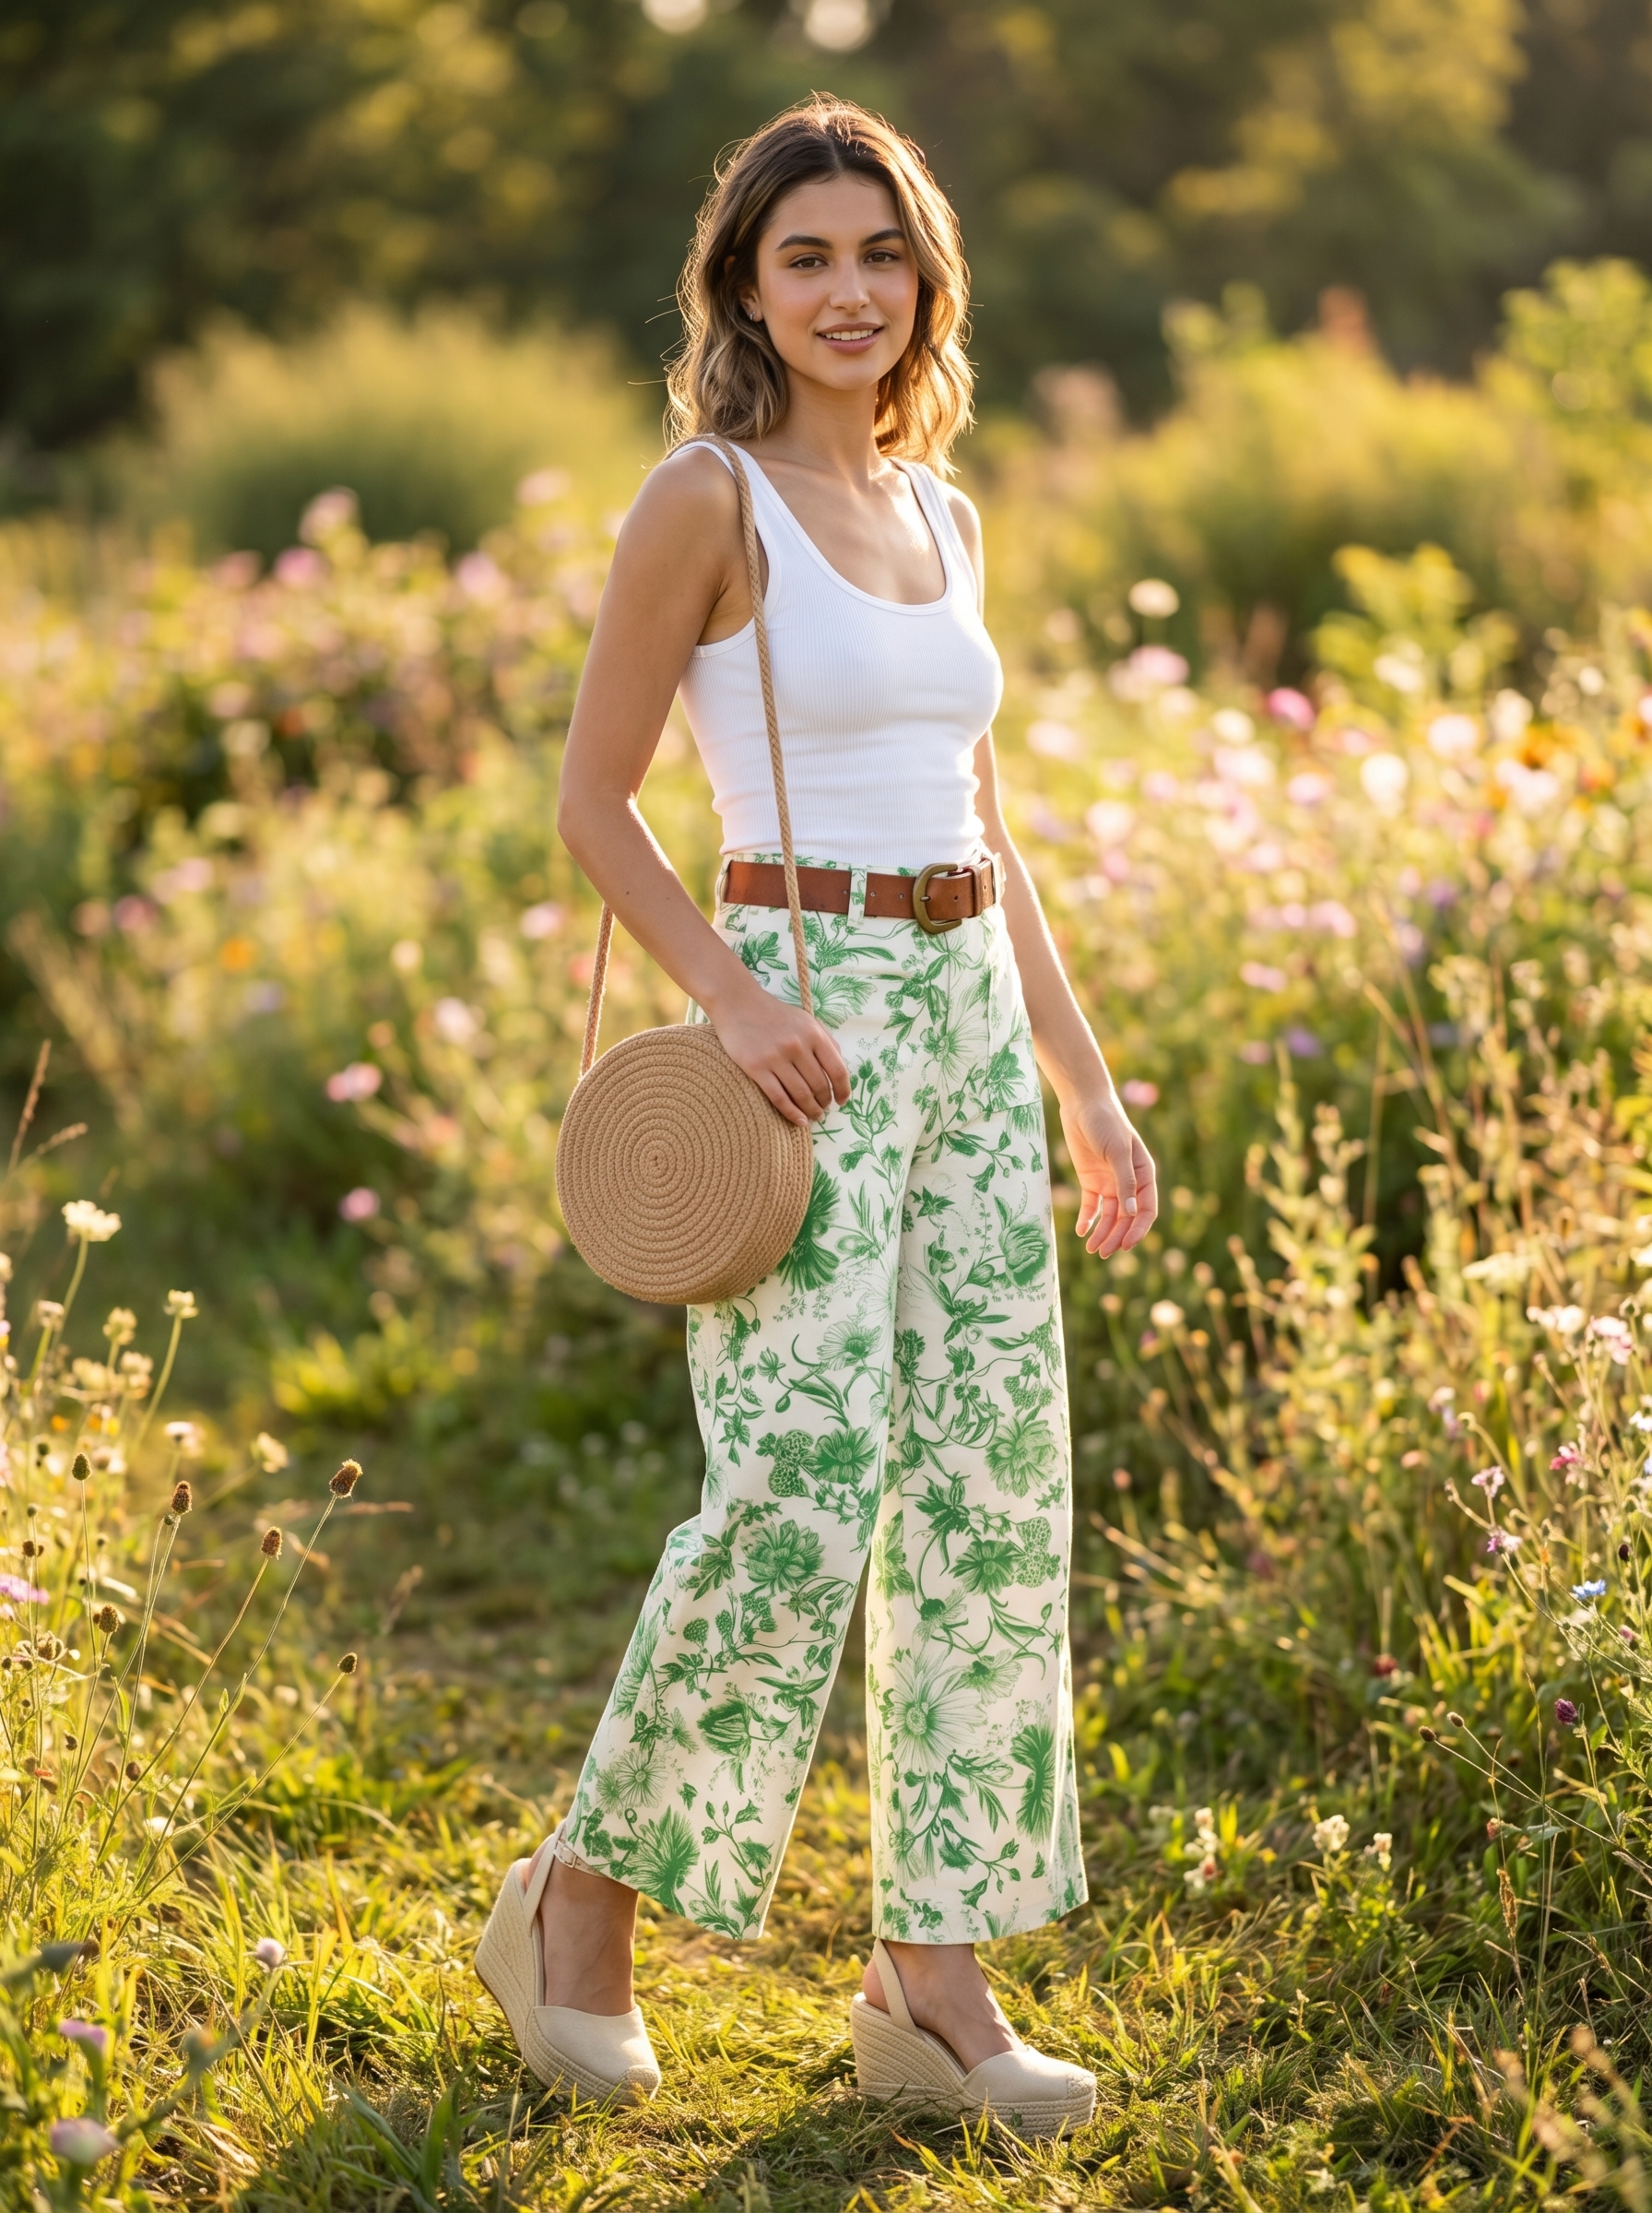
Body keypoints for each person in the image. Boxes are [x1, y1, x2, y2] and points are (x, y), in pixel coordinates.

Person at [475, 96, 1157, 2136]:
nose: (847, 291)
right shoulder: (704, 500)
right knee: (793, 1487)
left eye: (878, 253)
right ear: (742, 287)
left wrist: (1086, 1089)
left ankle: (928, 1975)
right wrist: (738, 992)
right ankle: (578, 1901)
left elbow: (985, 829)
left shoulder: (948, 519)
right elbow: (593, 802)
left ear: (923, 278)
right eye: (804, 258)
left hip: (959, 1013)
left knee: (981, 1494)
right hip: (800, 1024)